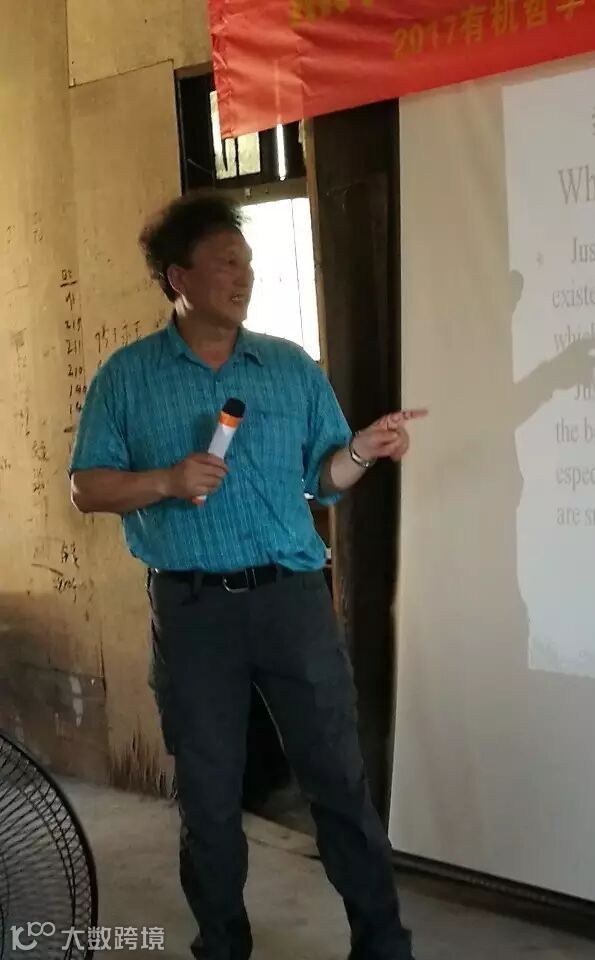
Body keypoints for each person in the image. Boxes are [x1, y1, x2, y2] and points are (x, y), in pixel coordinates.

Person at [68, 191, 421, 960]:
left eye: (249, 263)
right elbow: (87, 487)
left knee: (338, 779)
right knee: (209, 793)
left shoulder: (288, 367)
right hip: (193, 610)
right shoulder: (127, 378)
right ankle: (222, 944)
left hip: (293, 603)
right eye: (226, 262)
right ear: (178, 278)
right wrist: (166, 481)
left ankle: (383, 942)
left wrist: (362, 450)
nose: (244, 276)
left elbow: (324, 477)